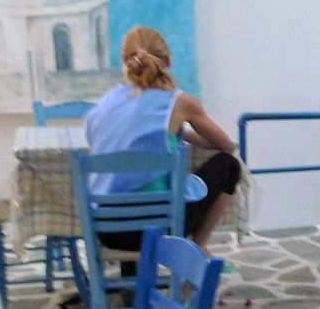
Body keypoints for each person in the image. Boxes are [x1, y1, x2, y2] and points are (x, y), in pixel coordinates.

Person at [86, 25, 240, 262]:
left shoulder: (105, 103)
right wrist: (181, 131)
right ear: (167, 61)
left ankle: (133, 276)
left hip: (107, 230)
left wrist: (173, 132)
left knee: (129, 189)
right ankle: (199, 246)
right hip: (159, 227)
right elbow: (224, 144)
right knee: (229, 165)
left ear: (124, 62)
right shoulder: (179, 102)